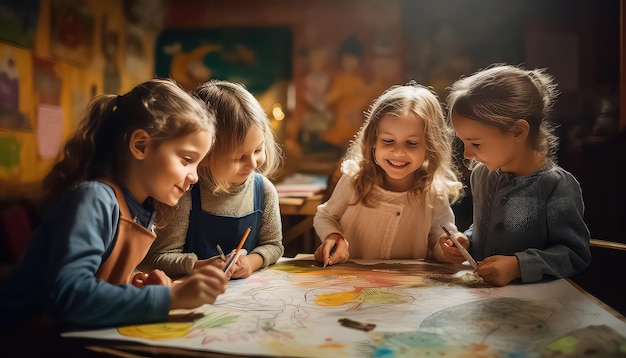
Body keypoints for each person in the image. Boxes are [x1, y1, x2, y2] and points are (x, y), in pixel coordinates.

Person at [0, 79, 229, 341]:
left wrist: (135, 282)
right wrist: (172, 297)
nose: (194, 177)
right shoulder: (94, 200)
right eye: (187, 160)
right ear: (141, 145)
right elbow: (69, 296)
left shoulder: (142, 208)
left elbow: (100, 274)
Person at [440, 64, 592, 286]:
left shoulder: (556, 185)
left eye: (475, 143)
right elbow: (486, 227)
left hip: (538, 306)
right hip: (483, 301)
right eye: (463, 142)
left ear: (518, 131)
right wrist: (467, 240)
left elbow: (575, 253)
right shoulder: (482, 175)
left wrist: (518, 266)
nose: (467, 154)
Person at [138, 80, 284, 279]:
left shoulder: (264, 191)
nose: (253, 163)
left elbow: (274, 245)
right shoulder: (184, 193)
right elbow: (159, 257)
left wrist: (251, 262)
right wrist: (200, 266)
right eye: (238, 157)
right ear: (205, 155)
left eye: (258, 150)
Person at [313, 82, 464, 266]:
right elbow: (325, 216)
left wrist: (449, 247)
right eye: (388, 140)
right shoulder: (355, 179)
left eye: (411, 143)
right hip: (353, 286)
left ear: (430, 146)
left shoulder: (433, 192)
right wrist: (333, 236)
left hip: (405, 290)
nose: (398, 152)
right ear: (373, 140)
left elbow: (440, 239)